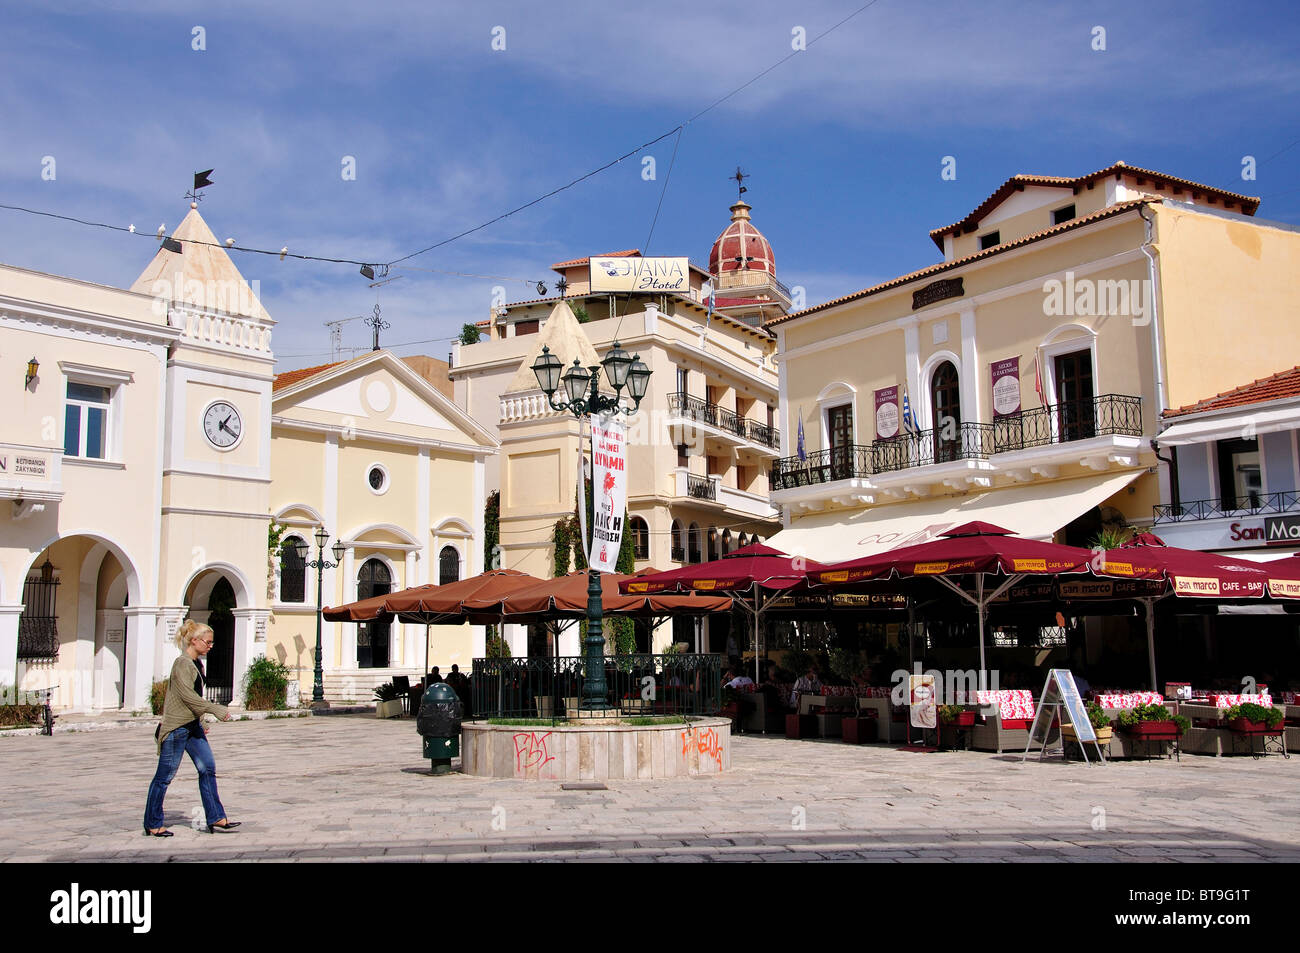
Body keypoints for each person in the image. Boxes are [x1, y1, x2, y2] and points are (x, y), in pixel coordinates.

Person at [143, 619, 239, 836]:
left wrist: (201, 720)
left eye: (212, 642)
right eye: (208, 642)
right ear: (194, 641)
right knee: (164, 776)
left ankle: (216, 817)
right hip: (177, 729)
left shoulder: (197, 664)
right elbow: (186, 695)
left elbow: (192, 698)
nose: (211, 646)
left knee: (208, 768)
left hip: (192, 727)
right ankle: (153, 822)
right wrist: (215, 709)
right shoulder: (182, 664)